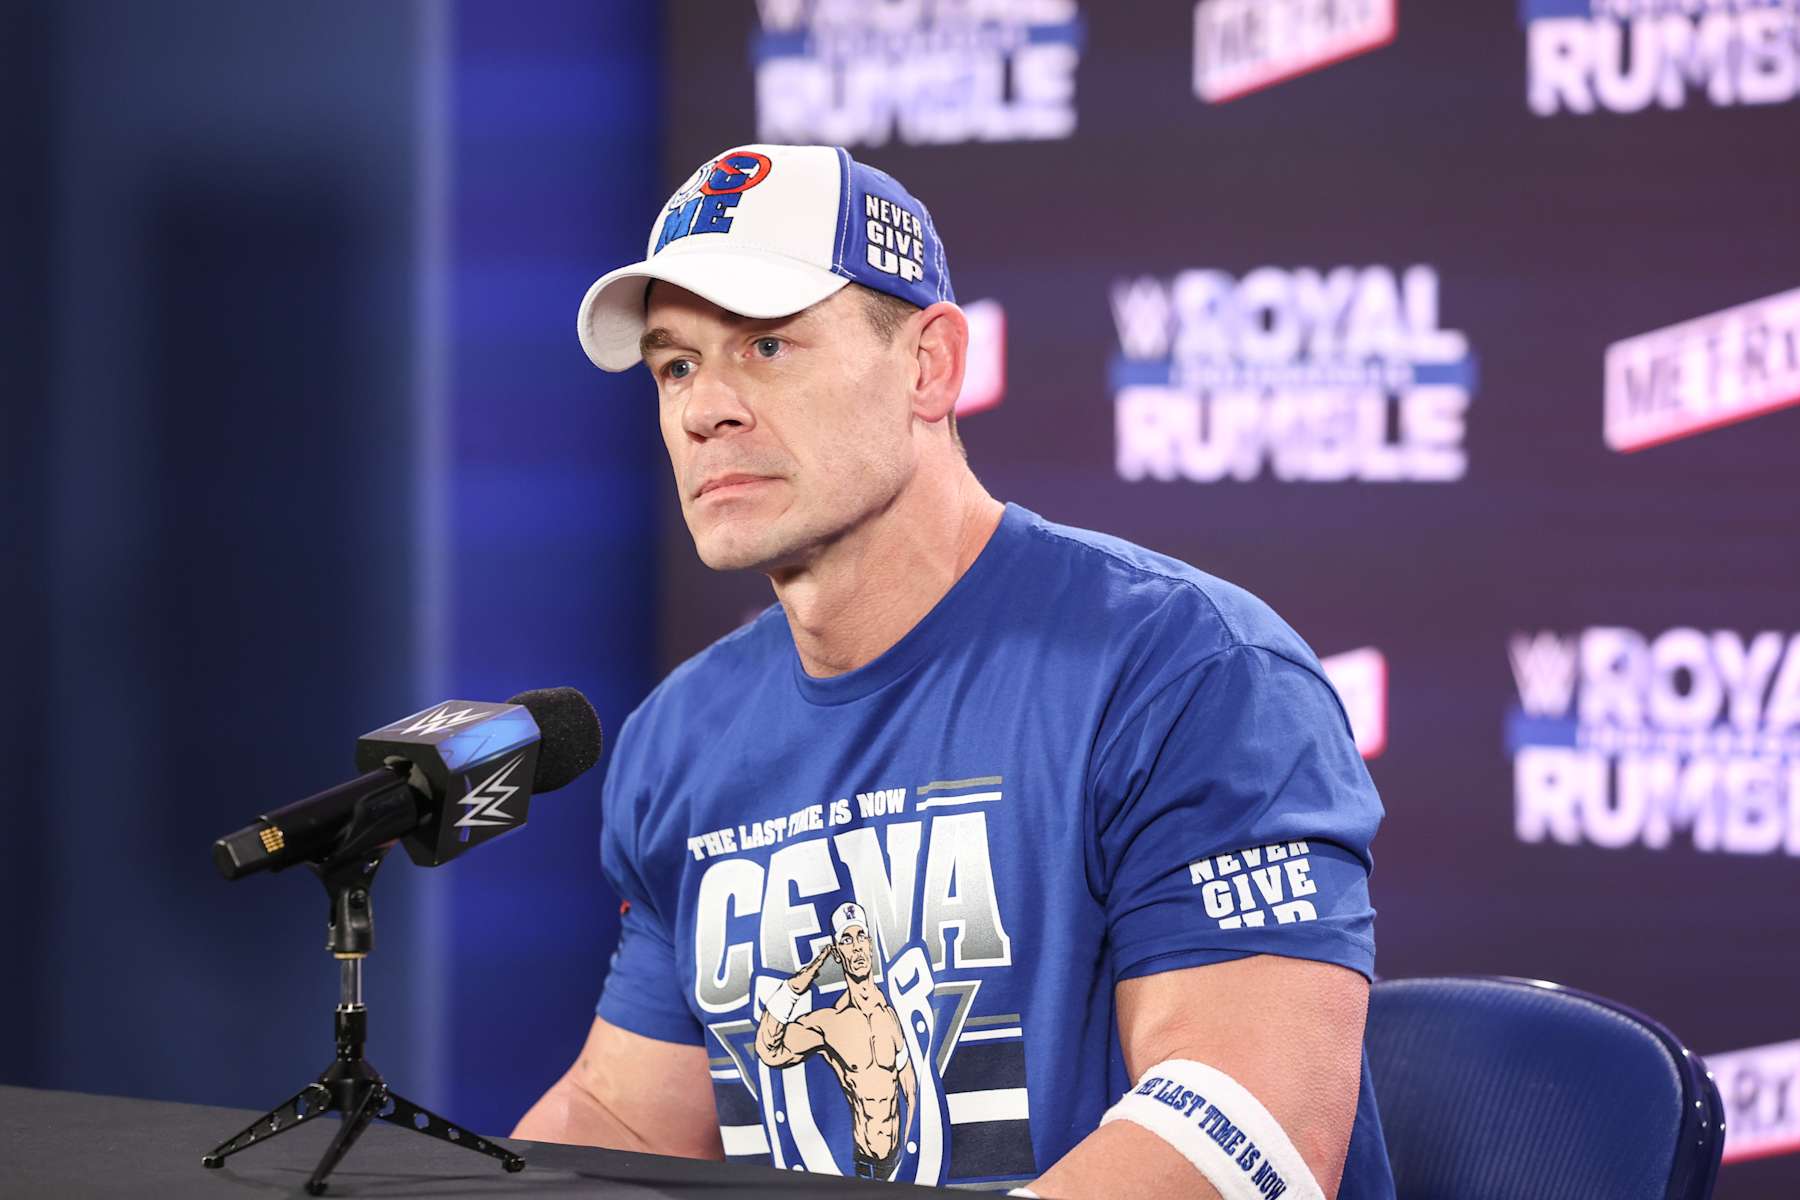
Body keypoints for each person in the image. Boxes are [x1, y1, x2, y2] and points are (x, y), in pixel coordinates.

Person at [515, 144, 1392, 1199]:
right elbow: (624, 1120)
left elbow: (1248, 1130)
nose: (707, 409)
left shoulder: (1188, 673)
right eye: (676, 367)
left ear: (929, 365)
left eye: (767, 346)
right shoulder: (681, 737)